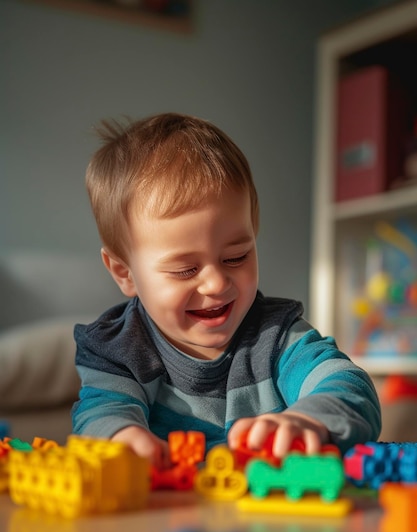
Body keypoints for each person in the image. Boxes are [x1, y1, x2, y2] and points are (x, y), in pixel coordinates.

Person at [72, 112, 381, 468]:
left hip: (266, 515)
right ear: (125, 273)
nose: (217, 283)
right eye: (185, 269)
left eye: (236, 257)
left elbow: (349, 385)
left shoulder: (277, 337)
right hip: (165, 515)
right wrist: (121, 437)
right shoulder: (120, 349)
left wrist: (308, 420)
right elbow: (99, 412)